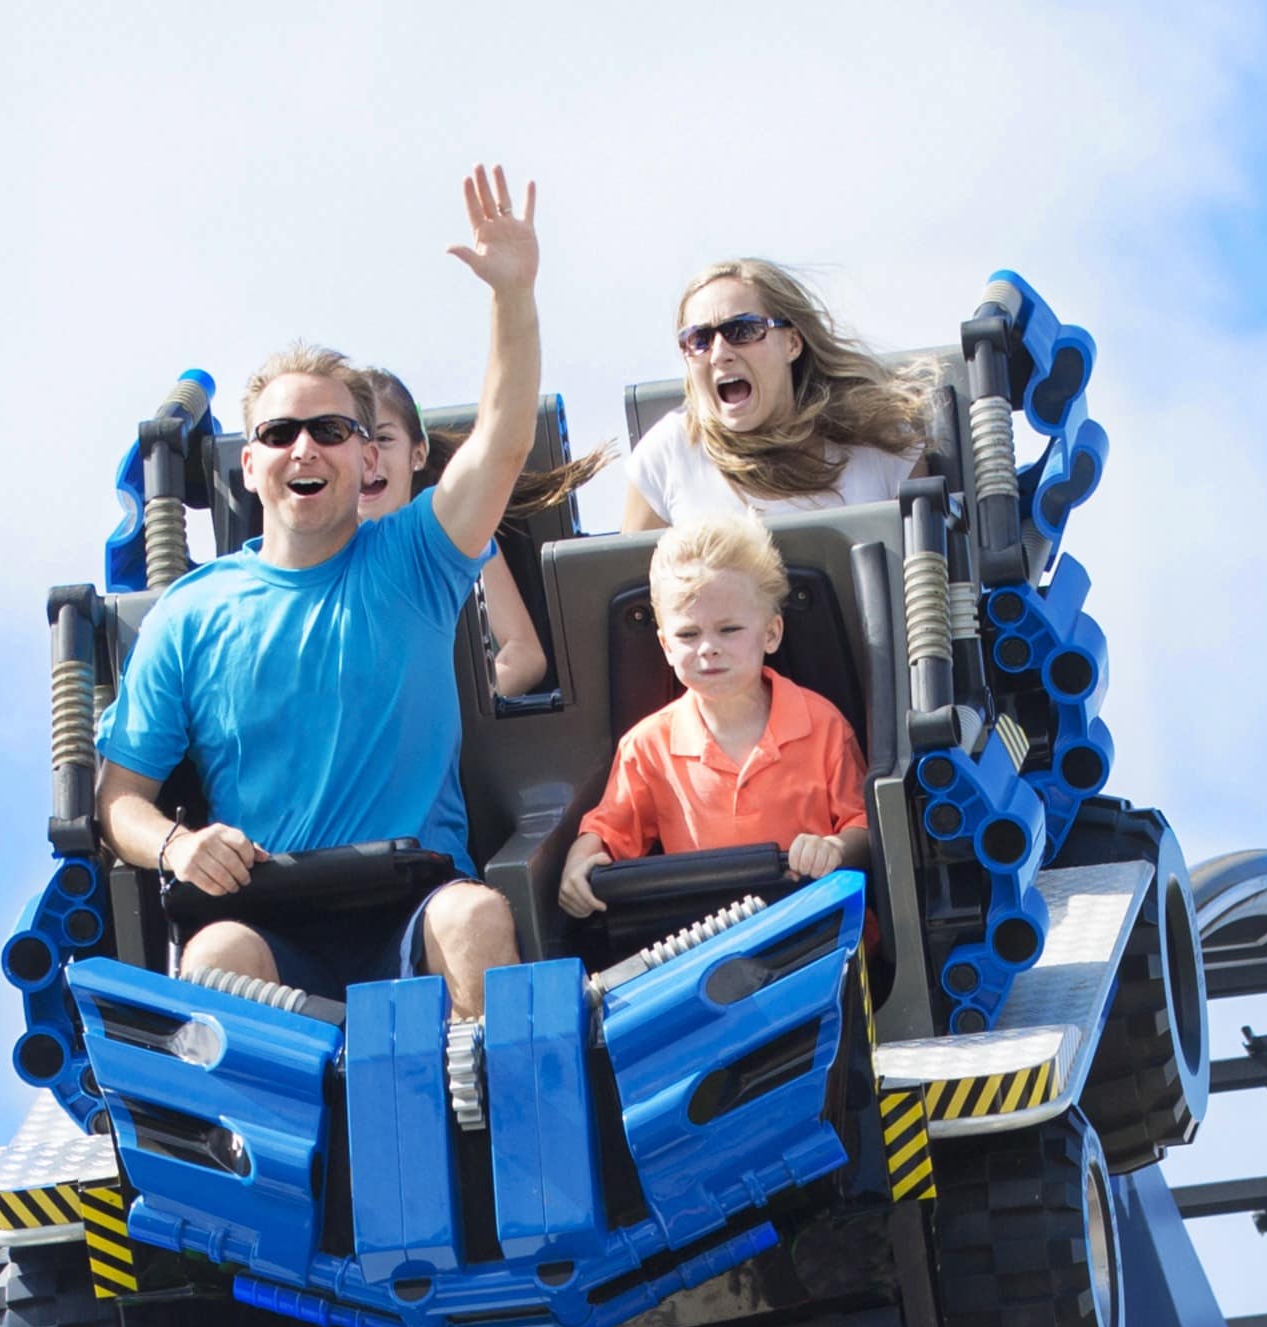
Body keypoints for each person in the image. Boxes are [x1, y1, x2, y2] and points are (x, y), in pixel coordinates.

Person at [95, 165, 539, 1022]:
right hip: (271, 914)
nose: (307, 448)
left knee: (477, 916)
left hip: (415, 897)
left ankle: (498, 1130)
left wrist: (511, 297)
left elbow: (504, 438)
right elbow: (120, 800)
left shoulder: (414, 557)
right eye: (280, 432)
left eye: (332, 430)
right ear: (249, 462)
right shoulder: (190, 613)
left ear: (370, 458)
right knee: (216, 957)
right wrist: (180, 847)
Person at [560, 511, 869, 917]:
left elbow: (865, 830)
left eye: (729, 630)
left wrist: (833, 848)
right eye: (688, 634)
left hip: (817, 929)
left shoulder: (824, 725)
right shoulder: (646, 746)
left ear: (772, 633)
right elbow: (607, 832)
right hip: (704, 943)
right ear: (666, 646)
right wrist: (576, 866)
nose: (708, 647)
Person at [621, 258, 930, 531]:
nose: (718, 354)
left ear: (792, 343)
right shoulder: (666, 456)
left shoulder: (883, 448)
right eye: (699, 340)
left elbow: (931, 583)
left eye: (741, 331)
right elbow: (625, 588)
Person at [358, 366, 610, 697]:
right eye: (356, 440)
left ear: (417, 453)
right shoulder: (314, 554)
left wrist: (448, 707)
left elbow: (524, 654)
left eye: (384, 439)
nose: (369, 457)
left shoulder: (458, 534)